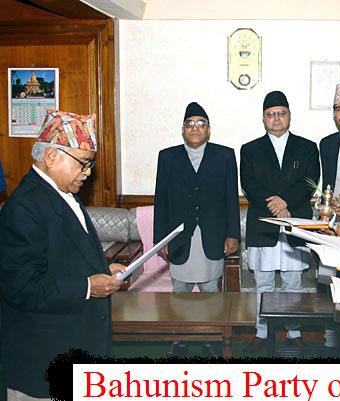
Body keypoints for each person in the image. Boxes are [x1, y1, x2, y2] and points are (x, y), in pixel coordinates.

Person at [0, 110, 125, 400]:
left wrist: (103, 268)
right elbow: (22, 287)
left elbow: (64, 257)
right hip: (44, 359)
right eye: (83, 163)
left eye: (90, 164)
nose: (88, 172)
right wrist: (88, 287)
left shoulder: (64, 194)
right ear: (52, 156)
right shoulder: (24, 207)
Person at [240, 90, 320, 353]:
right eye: (271, 114)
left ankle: (294, 332)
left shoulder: (307, 147)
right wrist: (275, 204)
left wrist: (285, 202)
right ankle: (262, 331)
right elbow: (249, 183)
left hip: (294, 221)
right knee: (262, 283)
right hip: (263, 223)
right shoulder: (250, 149)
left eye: (281, 113)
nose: (276, 118)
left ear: (289, 116)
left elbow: (310, 181)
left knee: (292, 283)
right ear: (263, 118)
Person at [154, 102, 240, 293]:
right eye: (190, 123)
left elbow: (231, 199)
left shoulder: (225, 156)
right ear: (183, 130)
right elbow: (161, 202)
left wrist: (233, 234)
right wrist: (160, 239)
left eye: (201, 123)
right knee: (180, 292)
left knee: (211, 292)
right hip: (179, 238)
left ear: (208, 130)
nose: (195, 128)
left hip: (213, 236)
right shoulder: (167, 157)